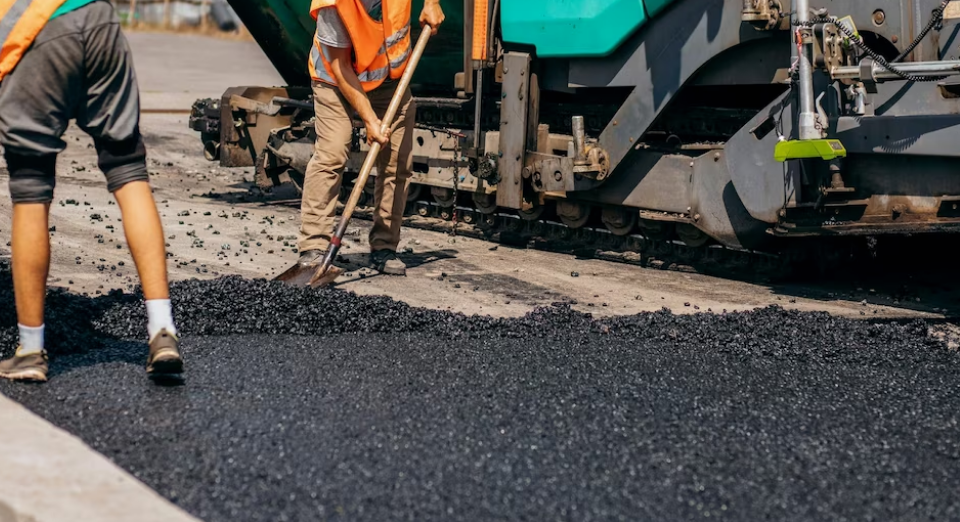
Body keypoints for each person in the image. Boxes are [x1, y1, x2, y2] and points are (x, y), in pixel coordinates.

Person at [0, 0, 182, 382]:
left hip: (34, 27)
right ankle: (162, 331)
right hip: (98, 17)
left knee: (30, 184)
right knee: (128, 168)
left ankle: (31, 350)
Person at [294, 0, 444, 275]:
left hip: (390, 81)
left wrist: (431, 3)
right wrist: (370, 120)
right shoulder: (333, 4)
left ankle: (385, 247)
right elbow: (339, 66)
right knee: (332, 152)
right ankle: (313, 249)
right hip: (335, 80)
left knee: (397, 162)